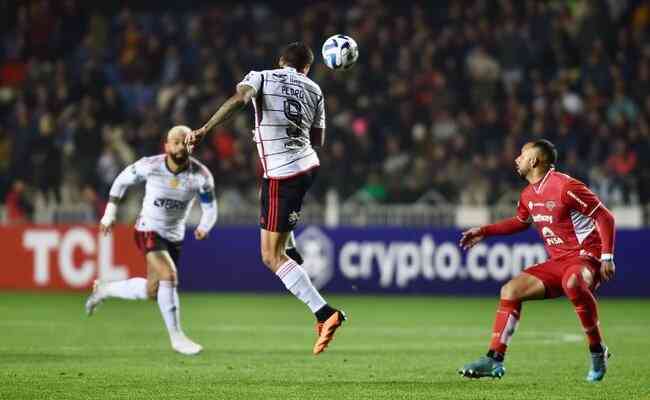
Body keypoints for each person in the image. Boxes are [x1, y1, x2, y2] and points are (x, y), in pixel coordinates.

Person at [185, 42, 345, 355]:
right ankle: (291, 243)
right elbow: (318, 140)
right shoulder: (315, 89)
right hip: (307, 166)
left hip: (283, 174)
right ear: (306, 68)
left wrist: (205, 129)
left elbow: (239, 100)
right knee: (273, 213)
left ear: (280, 61)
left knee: (270, 257)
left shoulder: (262, 76)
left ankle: (326, 313)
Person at [458, 139, 616, 382]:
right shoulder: (528, 194)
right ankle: (494, 359)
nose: (516, 159)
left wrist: (607, 256)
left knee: (573, 282)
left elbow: (605, 217)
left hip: (587, 257)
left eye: (522, 154)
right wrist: (484, 231)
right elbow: (520, 222)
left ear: (534, 160)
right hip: (559, 261)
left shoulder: (566, 186)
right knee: (510, 290)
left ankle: (597, 351)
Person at [85, 126, 218, 356]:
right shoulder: (150, 166)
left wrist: (205, 226)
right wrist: (109, 214)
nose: (179, 146)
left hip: (174, 237)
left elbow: (210, 207)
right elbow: (120, 181)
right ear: (166, 146)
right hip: (148, 229)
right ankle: (177, 338)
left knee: (152, 291)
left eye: (184, 142)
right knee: (169, 275)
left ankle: (105, 289)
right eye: (174, 142)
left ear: (191, 145)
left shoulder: (200, 176)